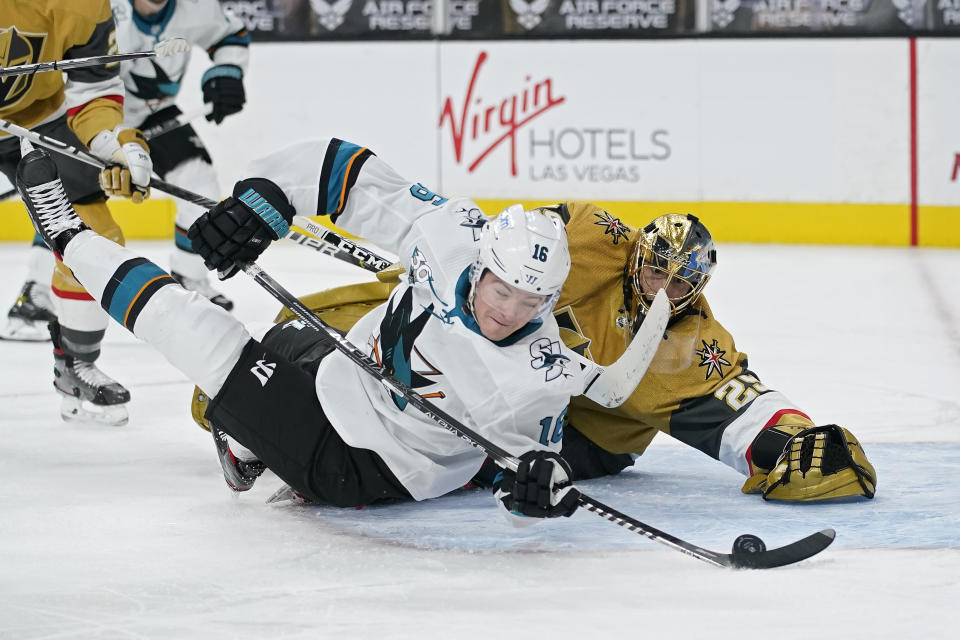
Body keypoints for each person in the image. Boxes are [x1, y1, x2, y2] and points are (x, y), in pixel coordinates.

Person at [16, 138, 664, 520]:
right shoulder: (453, 232)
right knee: (278, 344)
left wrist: (538, 490)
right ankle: (248, 447)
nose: (507, 312)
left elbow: (535, 460)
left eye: (530, 303)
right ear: (484, 260)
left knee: (207, 338)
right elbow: (345, 171)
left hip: (366, 466)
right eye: (501, 290)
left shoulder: (535, 374)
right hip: (345, 372)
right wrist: (266, 201)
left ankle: (67, 234)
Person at [264, 203, 878, 503]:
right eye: (655, 273)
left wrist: (795, 439)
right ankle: (266, 395)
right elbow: (506, 237)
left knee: (464, 447)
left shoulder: (691, 346)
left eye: (680, 285)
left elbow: (745, 406)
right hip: (488, 341)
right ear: (637, 252)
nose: (663, 291)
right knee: (321, 327)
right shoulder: (591, 235)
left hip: (582, 433)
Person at [0, 0, 153, 426]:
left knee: (91, 237)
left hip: (37, 123)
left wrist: (112, 143)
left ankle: (76, 365)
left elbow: (93, 89)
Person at [107, 0, 250, 309]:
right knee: (75, 197)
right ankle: (36, 291)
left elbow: (228, 35)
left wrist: (226, 72)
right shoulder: (102, 11)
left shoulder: (196, 7)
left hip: (154, 113)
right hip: (99, 116)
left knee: (199, 186)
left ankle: (189, 275)